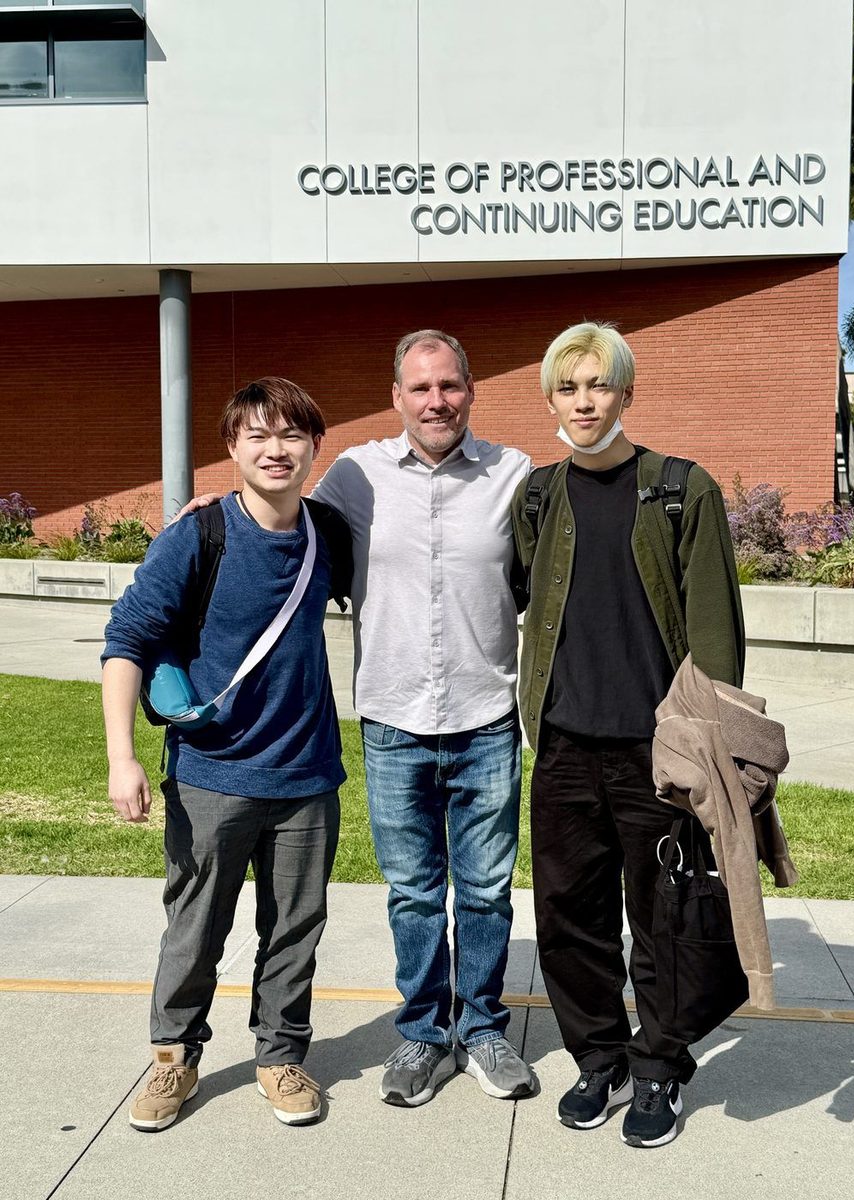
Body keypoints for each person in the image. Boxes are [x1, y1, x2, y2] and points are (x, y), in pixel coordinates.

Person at [511, 322, 744, 1148]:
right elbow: (504, 592)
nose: (583, 400)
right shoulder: (537, 496)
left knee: (664, 919)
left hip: (660, 754)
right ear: (550, 400)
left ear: (626, 394)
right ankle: (598, 1057)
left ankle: (659, 1066)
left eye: (598, 384)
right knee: (568, 917)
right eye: (567, 387)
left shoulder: (682, 489)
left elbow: (715, 634)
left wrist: (712, 750)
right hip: (566, 746)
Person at [102, 377, 351, 1131]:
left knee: (295, 926)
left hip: (307, 774)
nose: (276, 450)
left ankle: (281, 1055)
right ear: (232, 449)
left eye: (292, 436)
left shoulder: (329, 534)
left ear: (314, 446)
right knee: (196, 926)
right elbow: (127, 642)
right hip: (212, 773)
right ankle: (173, 1058)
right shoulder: (198, 535)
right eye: (258, 436)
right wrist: (123, 757)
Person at [311, 330, 534, 1106]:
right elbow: (284, 532)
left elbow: (546, 575)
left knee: (484, 890)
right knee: (411, 891)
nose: (436, 400)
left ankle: (480, 1029)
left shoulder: (515, 476)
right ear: (396, 397)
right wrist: (215, 507)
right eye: (420, 387)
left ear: (470, 390)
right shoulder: (352, 476)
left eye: (449, 386)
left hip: (485, 716)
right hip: (394, 718)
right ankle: (421, 1035)